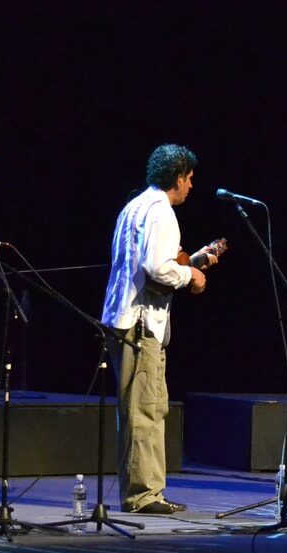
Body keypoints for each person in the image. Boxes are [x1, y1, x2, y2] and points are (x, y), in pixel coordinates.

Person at [101, 144, 213, 514]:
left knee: (145, 407)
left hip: (123, 318)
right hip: (140, 324)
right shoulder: (163, 211)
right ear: (178, 177)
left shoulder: (134, 205)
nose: (191, 185)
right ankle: (142, 495)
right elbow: (157, 268)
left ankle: (145, 491)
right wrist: (191, 274)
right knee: (144, 409)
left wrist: (187, 263)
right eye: (190, 178)